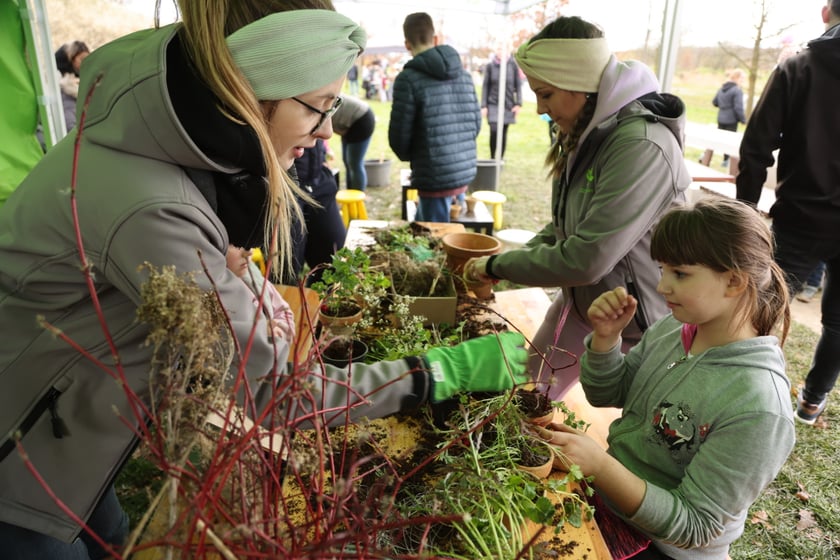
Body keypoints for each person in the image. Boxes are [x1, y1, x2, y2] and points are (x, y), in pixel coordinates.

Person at [0, 2, 530, 557]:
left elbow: (214, 271)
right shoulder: (151, 206)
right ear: (253, 91)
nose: (326, 130)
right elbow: (276, 397)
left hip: (67, 420)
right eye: (318, 108)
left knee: (106, 533)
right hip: (18, 442)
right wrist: (441, 370)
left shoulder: (162, 145)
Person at [536, 198, 795, 560]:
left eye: (680, 274)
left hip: (663, 547)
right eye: (662, 269)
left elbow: (697, 526)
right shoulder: (675, 327)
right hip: (605, 501)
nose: (661, 287)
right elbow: (608, 392)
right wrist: (606, 340)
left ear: (734, 281)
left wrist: (601, 465)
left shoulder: (759, 407)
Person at [464, 16, 690, 400]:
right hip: (585, 303)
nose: (539, 108)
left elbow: (587, 258)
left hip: (639, 324)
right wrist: (505, 263)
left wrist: (496, 266)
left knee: (632, 438)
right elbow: (563, 229)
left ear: (581, 84)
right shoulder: (590, 134)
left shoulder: (640, 145)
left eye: (546, 94)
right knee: (527, 398)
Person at [737, 0, 840, 425]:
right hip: (802, 218)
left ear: (825, 12)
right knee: (838, 323)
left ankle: (745, 398)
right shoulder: (796, 67)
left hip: (799, 218)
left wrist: (745, 212)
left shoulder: (796, 68)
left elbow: (756, 147)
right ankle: (812, 402)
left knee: (760, 310)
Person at [388, 12, 481, 223]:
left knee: (433, 238)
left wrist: (413, 156)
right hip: (462, 169)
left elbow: (399, 136)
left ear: (407, 44)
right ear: (436, 38)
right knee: (450, 230)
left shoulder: (407, 79)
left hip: (433, 172)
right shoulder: (465, 76)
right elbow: (475, 125)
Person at [289, 138, 346, 283]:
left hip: (317, 180)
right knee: (287, 272)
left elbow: (323, 128)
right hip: (283, 188)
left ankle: (324, 305)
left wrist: (322, 149)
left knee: (335, 261)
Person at [226, 244, 296, 342]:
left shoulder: (255, 278)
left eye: (249, 245)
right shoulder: (220, 295)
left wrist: (279, 333)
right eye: (238, 246)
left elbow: (283, 311)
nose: (249, 252)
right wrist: (262, 334)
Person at [481, 49, 523, 160]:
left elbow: (518, 85)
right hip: (493, 104)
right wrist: (484, 105)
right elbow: (485, 86)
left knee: (503, 132)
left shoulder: (513, 65)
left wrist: (518, 103)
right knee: (494, 130)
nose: (501, 52)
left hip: (508, 104)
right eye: (499, 49)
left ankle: (500, 159)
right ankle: (493, 157)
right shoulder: (490, 66)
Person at [331, 94, 374, 191]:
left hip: (361, 120)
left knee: (355, 163)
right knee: (347, 161)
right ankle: (350, 192)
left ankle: (358, 197)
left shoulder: (319, 102)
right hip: (348, 123)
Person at [710, 68, 746, 168]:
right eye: (742, 79)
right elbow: (738, 107)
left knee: (720, 139)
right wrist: (743, 120)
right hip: (731, 119)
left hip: (721, 117)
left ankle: (708, 156)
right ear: (737, 78)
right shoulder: (737, 90)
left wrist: (723, 105)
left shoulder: (722, 88)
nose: (743, 81)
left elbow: (714, 102)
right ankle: (726, 161)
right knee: (730, 141)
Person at [54, 40, 91, 132]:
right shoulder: (65, 83)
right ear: (73, 58)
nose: (85, 63)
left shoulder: (79, 73)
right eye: (82, 59)